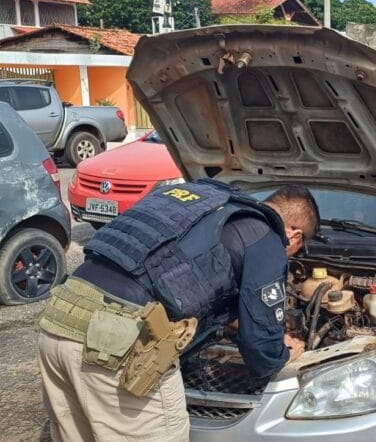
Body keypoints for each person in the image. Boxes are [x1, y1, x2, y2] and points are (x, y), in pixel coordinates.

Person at [35, 179, 319, 441]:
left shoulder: (199, 203)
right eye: (299, 247)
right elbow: (261, 350)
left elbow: (171, 271)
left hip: (59, 319)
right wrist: (284, 352)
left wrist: (233, 322)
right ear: (294, 235)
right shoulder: (265, 236)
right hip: (113, 342)